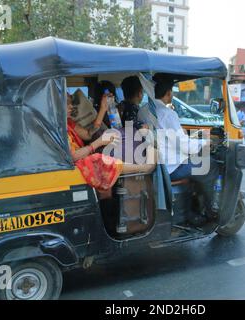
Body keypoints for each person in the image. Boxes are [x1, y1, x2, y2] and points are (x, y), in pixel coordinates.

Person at [138, 76, 220, 224]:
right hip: (171, 167)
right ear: (168, 93)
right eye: (172, 92)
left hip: (155, 162)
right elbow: (184, 145)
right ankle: (210, 210)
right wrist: (205, 143)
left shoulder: (143, 111)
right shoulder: (168, 114)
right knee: (210, 165)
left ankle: (192, 207)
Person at [66, 94, 156, 191]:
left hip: (83, 155)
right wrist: (99, 142)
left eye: (71, 103)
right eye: (67, 104)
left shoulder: (68, 122)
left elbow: (88, 134)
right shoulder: (58, 130)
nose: (71, 106)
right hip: (72, 165)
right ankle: (143, 168)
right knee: (101, 160)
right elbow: (73, 156)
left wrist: (103, 109)